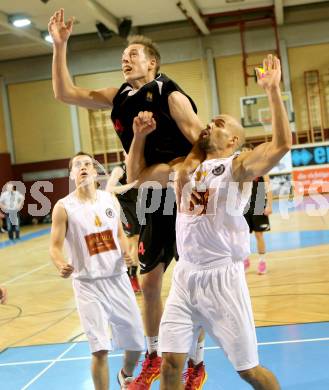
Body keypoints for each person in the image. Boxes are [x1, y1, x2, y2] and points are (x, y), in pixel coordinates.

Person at [49, 9, 206, 388]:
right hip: (152, 198)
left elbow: (204, 142)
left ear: (152, 63)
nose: (125, 58)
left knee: (195, 284)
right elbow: (65, 93)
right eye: (123, 55)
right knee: (150, 283)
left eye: (134, 54)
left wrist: (182, 170)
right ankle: (152, 355)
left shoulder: (171, 95)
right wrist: (60, 46)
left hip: (184, 200)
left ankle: (196, 363)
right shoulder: (119, 95)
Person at [126, 54, 291, 389]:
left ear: (232, 141)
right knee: (171, 364)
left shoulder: (237, 167)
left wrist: (272, 91)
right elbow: (135, 177)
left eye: (220, 123)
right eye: (211, 120)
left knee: (248, 371)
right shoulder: (180, 168)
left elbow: (282, 144)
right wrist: (139, 136)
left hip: (222, 280)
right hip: (186, 277)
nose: (210, 123)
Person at [49, 152, 145, 390]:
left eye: (88, 164)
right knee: (100, 349)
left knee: (136, 345)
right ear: (72, 174)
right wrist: (61, 263)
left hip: (118, 280)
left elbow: (120, 234)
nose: (83, 167)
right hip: (88, 285)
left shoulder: (109, 199)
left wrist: (126, 252)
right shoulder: (64, 207)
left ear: (95, 171)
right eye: (77, 165)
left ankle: (126, 374)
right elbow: (54, 246)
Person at [243, 158, 273, 274]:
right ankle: (245, 259)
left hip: (259, 204)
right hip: (245, 206)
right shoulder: (242, 171)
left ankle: (262, 262)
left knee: (259, 235)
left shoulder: (263, 170)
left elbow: (268, 190)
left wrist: (269, 205)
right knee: (243, 235)